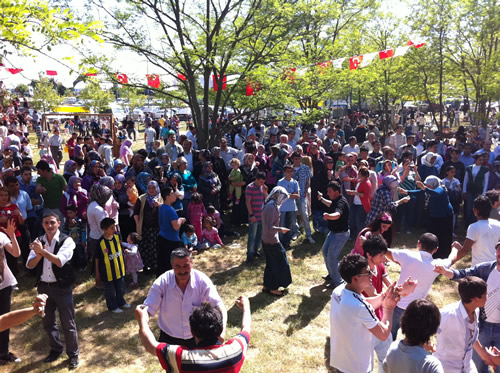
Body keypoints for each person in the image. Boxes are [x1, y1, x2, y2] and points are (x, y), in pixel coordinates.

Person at [135, 295, 250, 373]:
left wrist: (142, 321)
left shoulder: (183, 358)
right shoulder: (235, 350)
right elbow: (246, 328)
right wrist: (246, 307)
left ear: (192, 331)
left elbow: (150, 346)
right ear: (220, 328)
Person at [435, 242, 500, 373]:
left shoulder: (470, 314)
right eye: (499, 251)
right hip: (484, 326)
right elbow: (465, 274)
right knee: (480, 365)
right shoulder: (486, 269)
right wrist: (447, 272)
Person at [143, 247, 227, 348]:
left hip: (197, 338)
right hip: (169, 338)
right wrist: (143, 321)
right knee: (170, 365)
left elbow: (218, 305)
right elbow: (147, 310)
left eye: (186, 266)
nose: (182, 270)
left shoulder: (201, 280)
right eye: (178, 266)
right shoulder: (162, 282)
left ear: (192, 264)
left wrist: (222, 330)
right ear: (172, 265)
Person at [330, 253, 400, 373]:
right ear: (355, 278)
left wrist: (384, 296)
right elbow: (383, 335)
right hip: (357, 368)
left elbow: (363, 305)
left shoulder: (339, 291)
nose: (371, 275)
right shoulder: (359, 307)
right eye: (367, 273)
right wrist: (388, 308)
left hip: (341, 361)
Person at [26, 213, 79, 370]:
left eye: (52, 222)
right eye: (46, 223)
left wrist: (42, 252)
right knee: (48, 322)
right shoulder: (39, 241)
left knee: (68, 323)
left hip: (62, 287)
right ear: (43, 225)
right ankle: (56, 349)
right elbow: (29, 265)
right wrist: (37, 254)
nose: (49, 225)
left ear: (58, 223)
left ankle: (73, 354)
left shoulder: (67, 240)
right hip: (43, 287)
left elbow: (60, 261)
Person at [385, 232, 458, 340]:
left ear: (419, 244)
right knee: (413, 339)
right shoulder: (438, 265)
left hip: (397, 305)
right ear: (436, 249)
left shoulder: (407, 255)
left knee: (389, 336)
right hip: (416, 309)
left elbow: (386, 252)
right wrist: (455, 248)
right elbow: (451, 259)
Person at [434, 277, 496, 372]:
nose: (487, 297)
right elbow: (423, 329)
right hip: (447, 368)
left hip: (467, 366)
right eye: (485, 295)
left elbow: (470, 337)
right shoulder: (448, 315)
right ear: (475, 299)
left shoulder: (476, 310)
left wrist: (485, 357)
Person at [383, 299, 444, 373]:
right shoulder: (432, 365)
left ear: (404, 320)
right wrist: (427, 354)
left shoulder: (392, 349)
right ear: (433, 329)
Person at [317, 181, 350, 289]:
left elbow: (337, 214)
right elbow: (331, 205)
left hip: (340, 234)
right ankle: (332, 274)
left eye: (330, 191)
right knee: (325, 252)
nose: (328, 193)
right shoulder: (335, 200)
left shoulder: (341, 202)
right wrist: (321, 199)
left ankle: (338, 282)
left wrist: (328, 216)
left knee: (332, 257)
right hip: (333, 232)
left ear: (336, 192)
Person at [261, 186, 292, 296]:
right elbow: (270, 227)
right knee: (279, 264)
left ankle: (266, 285)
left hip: (267, 239)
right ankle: (273, 289)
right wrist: (281, 229)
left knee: (270, 264)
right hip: (271, 241)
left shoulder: (270, 204)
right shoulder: (271, 208)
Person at [95, 218, 130, 313]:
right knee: (110, 291)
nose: (114, 229)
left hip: (119, 269)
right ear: (104, 229)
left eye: (114, 226)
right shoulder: (100, 242)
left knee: (121, 288)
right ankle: (112, 307)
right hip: (107, 272)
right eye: (111, 228)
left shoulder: (117, 237)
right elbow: (97, 258)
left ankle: (121, 302)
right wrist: (97, 272)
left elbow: (120, 250)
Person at [454, 195, 500, 266]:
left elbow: (465, 251)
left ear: (475, 210)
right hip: (494, 266)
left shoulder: (474, 227)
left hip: (479, 269)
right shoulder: (497, 224)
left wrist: (452, 257)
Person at [0, 220, 21, 365]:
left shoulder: (1, 236)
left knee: (4, 319)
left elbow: (16, 253)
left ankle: (3, 352)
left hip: (4, 284)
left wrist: (12, 235)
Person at [134, 180, 163, 273]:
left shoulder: (161, 198)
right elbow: (136, 213)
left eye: (153, 188)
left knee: (155, 247)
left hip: (157, 228)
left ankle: (155, 266)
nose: (151, 190)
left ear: (157, 188)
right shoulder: (141, 198)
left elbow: (167, 209)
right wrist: (138, 224)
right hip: (145, 228)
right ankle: (145, 267)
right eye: (149, 188)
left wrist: (159, 205)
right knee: (145, 247)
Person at [157, 186, 185, 276]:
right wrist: (180, 220)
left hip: (162, 238)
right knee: (171, 266)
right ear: (167, 196)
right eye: (172, 193)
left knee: (162, 264)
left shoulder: (162, 207)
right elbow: (176, 227)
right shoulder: (171, 210)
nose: (175, 195)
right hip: (171, 241)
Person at [245, 172, 268, 263]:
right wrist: (251, 215)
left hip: (262, 215)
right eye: (260, 181)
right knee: (252, 236)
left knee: (259, 235)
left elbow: (266, 199)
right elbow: (248, 202)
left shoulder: (263, 187)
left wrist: (266, 192)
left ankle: (255, 250)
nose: (261, 183)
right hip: (254, 216)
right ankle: (249, 254)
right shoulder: (250, 187)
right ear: (256, 179)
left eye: (263, 182)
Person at [464, 153, 490, 227]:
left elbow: (485, 182)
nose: (481, 161)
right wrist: (464, 191)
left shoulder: (485, 169)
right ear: (475, 160)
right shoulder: (469, 168)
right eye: (480, 160)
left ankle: (476, 224)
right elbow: (465, 180)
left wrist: (483, 193)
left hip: (479, 191)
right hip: (469, 190)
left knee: (477, 208)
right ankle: (467, 224)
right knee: (469, 208)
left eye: (482, 160)